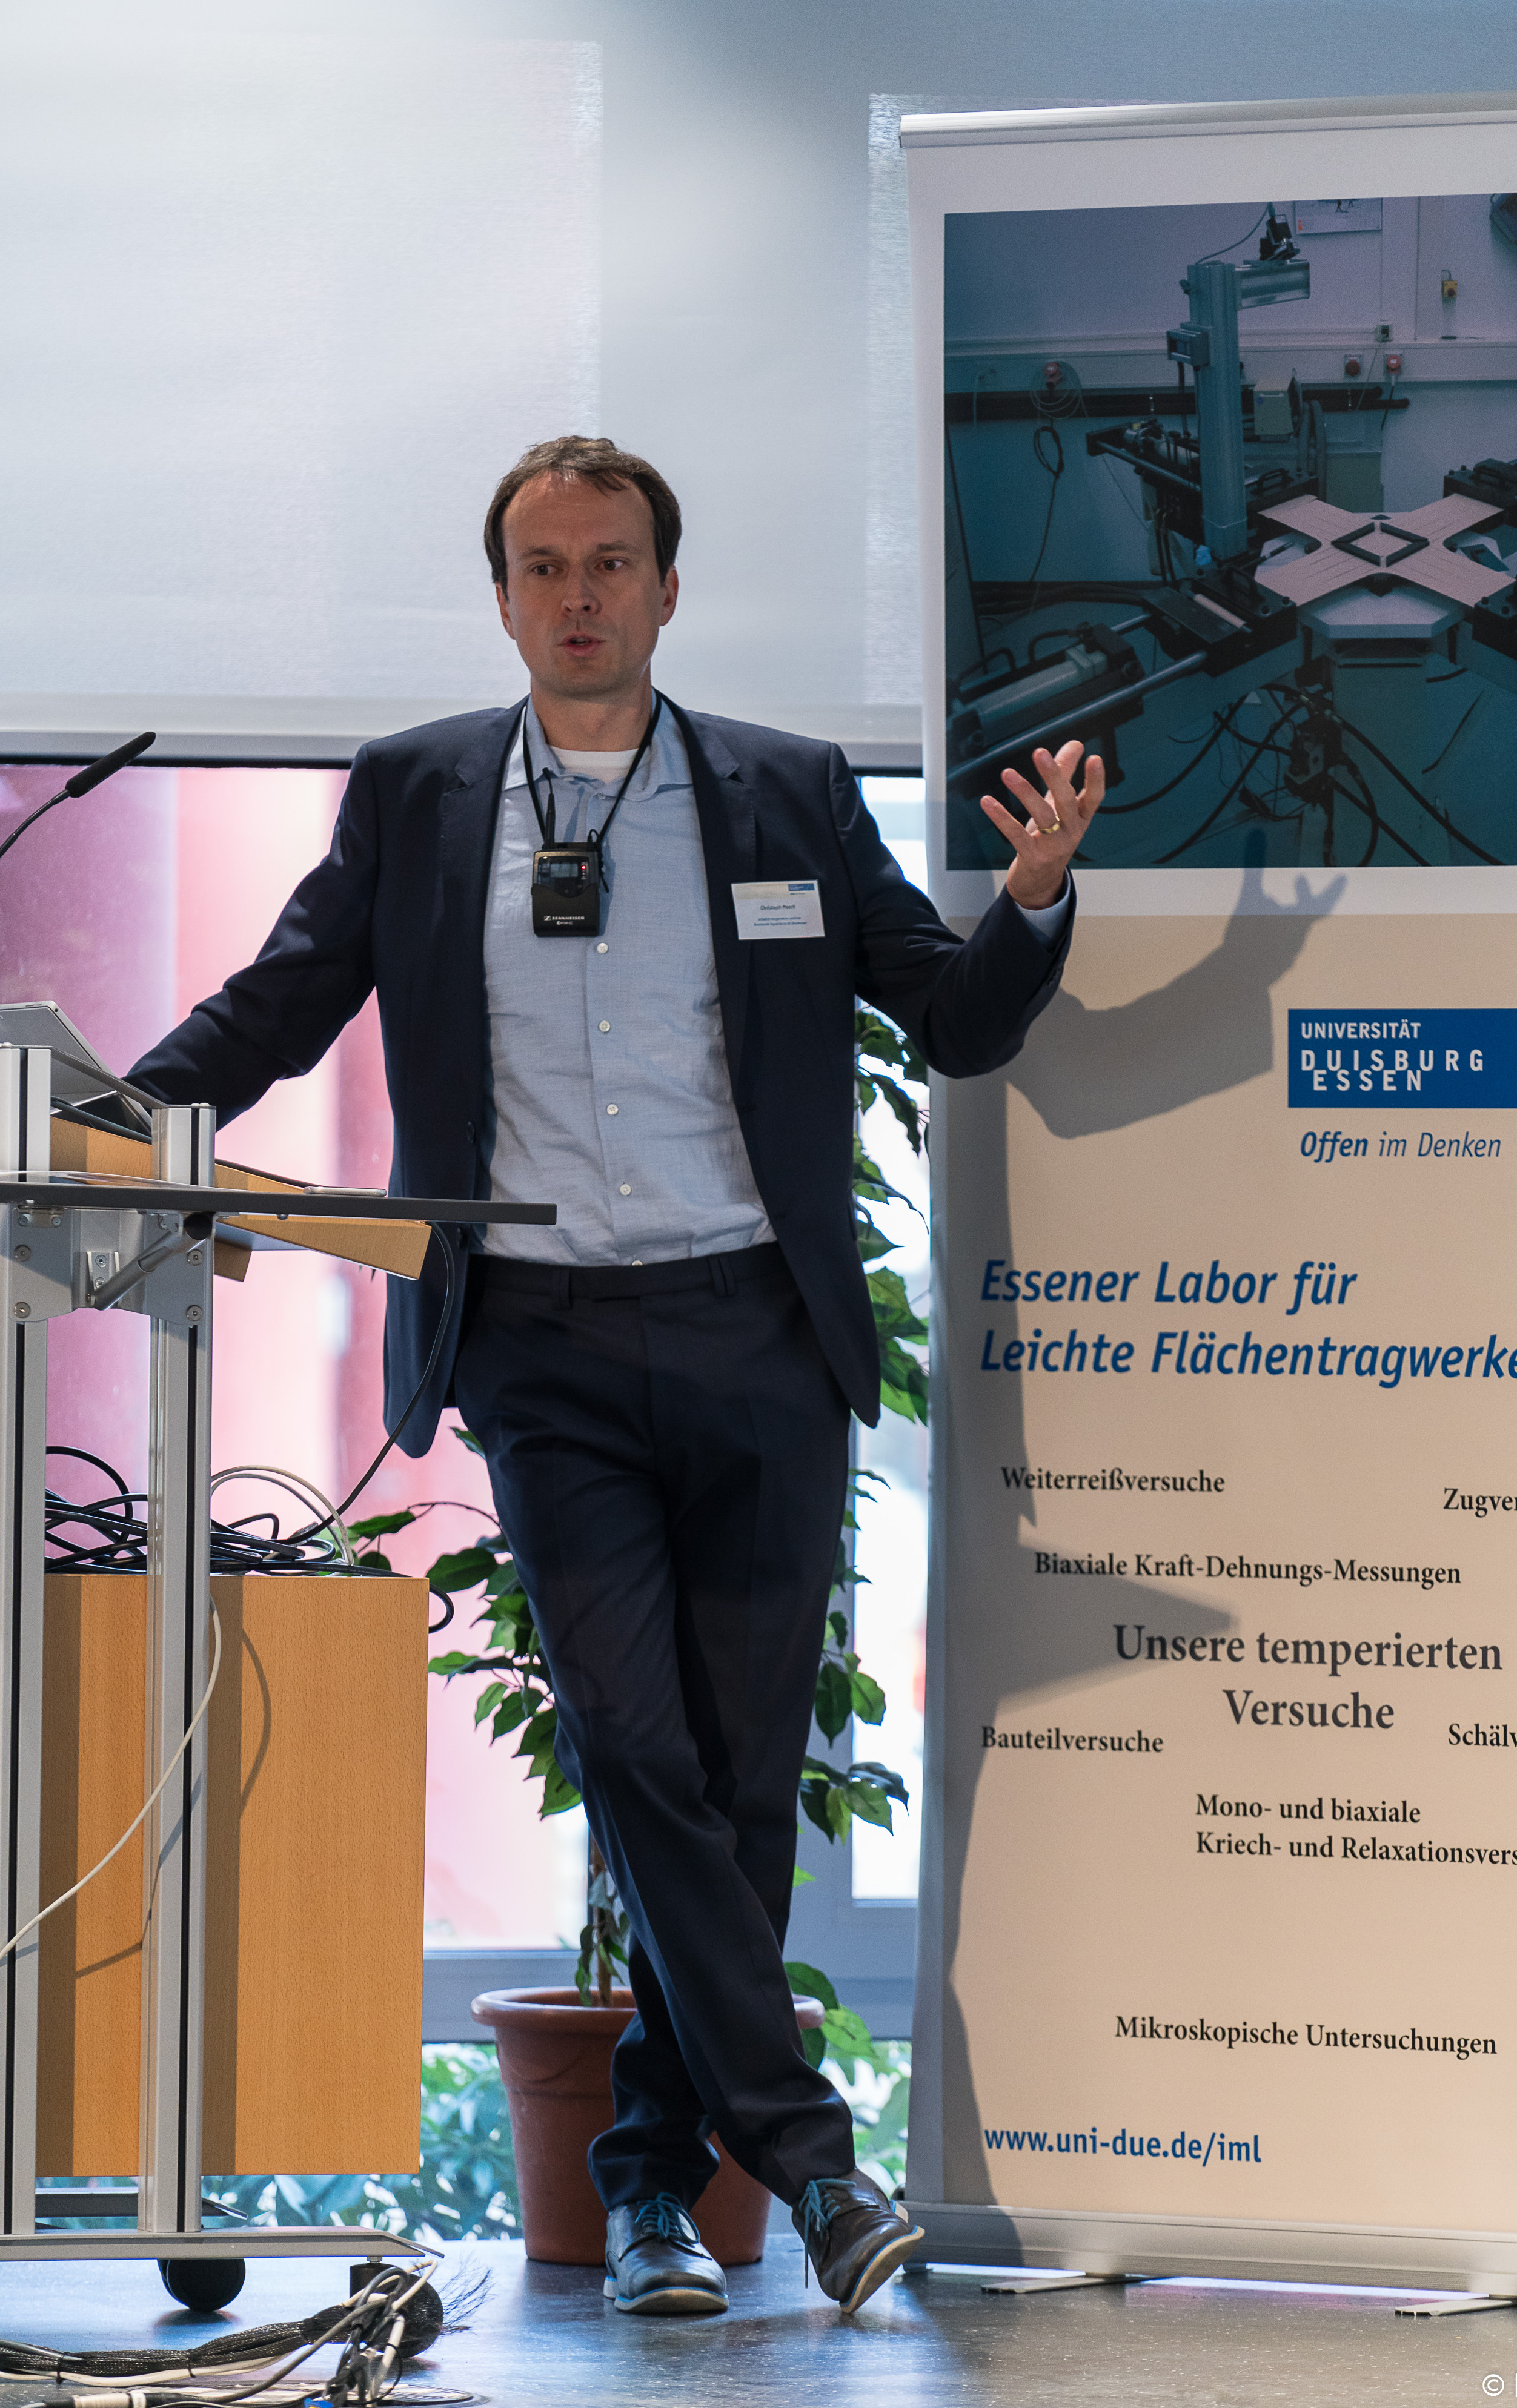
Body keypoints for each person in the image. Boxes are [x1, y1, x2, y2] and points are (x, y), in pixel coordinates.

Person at [130, 435, 1102, 2319]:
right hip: (542, 1340)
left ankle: (652, 2192)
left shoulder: (786, 791)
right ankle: (814, 2172)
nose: (576, 595)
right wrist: (101, 1119)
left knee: (735, 1787)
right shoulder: (418, 793)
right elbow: (281, 1005)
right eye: (542, 566)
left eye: (609, 562)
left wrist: (1036, 898)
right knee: (635, 1747)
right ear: (502, 599)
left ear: (666, 589)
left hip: (757, 1331)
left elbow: (953, 1018)